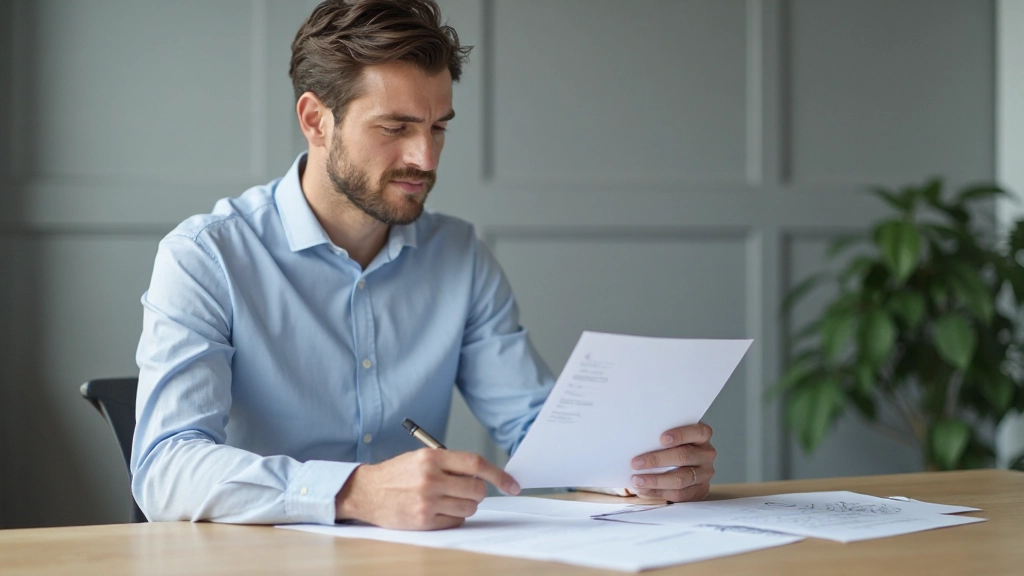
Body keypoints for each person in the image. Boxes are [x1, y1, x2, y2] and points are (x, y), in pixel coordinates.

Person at [131, 0, 717, 530]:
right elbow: (164, 467)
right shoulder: (206, 257)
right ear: (315, 120)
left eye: (438, 128)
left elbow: (536, 428)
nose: (425, 158)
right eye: (396, 127)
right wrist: (354, 491)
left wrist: (639, 468)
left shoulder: (459, 256)